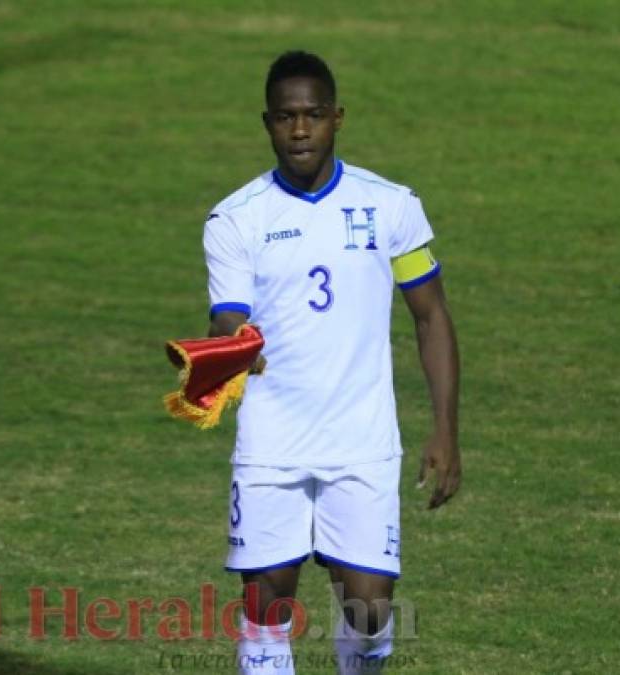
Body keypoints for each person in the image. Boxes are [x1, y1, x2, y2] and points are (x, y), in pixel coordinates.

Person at [202, 50, 460, 675]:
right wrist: (224, 351)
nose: (299, 130)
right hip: (272, 439)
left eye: (313, 115)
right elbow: (229, 321)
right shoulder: (236, 219)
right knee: (267, 600)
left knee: (370, 613)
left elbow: (431, 317)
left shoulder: (390, 207)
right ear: (266, 123)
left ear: (337, 118)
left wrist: (445, 430)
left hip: (361, 441)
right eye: (286, 117)